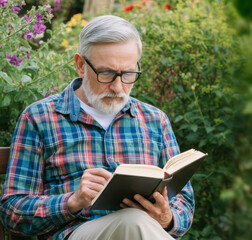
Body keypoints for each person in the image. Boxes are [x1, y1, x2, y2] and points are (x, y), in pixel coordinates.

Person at [0, 15, 194, 240]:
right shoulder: (39, 118)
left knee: (137, 221)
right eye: (107, 73)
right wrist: (72, 201)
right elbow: (12, 211)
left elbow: (184, 203)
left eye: (128, 74)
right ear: (80, 65)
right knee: (134, 221)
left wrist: (167, 218)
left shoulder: (154, 120)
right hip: (75, 233)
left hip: (143, 233)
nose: (118, 86)